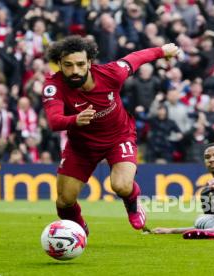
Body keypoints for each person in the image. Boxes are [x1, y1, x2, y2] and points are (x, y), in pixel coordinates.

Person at [42, 36, 179, 235]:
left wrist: (162, 51)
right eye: (68, 65)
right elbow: (54, 120)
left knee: (121, 185)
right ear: (60, 65)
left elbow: (136, 58)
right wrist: (75, 120)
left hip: (118, 138)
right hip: (81, 147)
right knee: (64, 202)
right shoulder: (53, 85)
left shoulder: (111, 73)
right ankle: (79, 230)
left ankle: (132, 204)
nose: (75, 71)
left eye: (80, 64)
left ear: (89, 62)